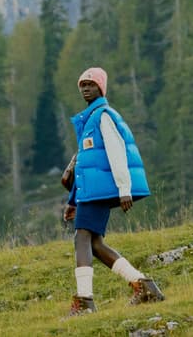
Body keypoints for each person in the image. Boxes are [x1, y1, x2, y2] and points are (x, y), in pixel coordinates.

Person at [62, 68, 164, 316]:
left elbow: (116, 151)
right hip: (91, 191)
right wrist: (73, 200)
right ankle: (144, 286)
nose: (86, 89)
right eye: (82, 85)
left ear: (101, 88)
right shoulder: (90, 119)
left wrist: (124, 188)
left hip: (101, 191)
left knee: (81, 238)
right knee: (95, 244)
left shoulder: (103, 115)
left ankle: (85, 301)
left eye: (91, 84)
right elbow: (87, 164)